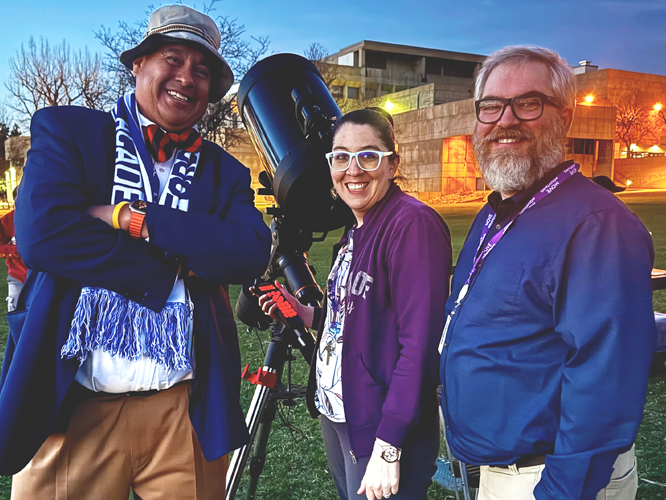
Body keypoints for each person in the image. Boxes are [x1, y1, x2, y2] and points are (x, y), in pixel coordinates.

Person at [0, 5, 271, 500]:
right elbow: (44, 234)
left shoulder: (224, 171)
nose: (186, 78)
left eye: (202, 70)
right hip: (75, 405)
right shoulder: (70, 131)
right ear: (138, 64)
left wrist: (133, 218)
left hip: (185, 411)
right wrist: (181, 259)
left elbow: (247, 254)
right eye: (172, 60)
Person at [439, 46, 657, 500]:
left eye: (528, 103)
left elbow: (605, 380)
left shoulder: (597, 224)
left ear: (565, 115)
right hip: (500, 473)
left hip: (549, 479)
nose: (505, 120)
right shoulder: (498, 211)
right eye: (491, 106)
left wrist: (561, 490)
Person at [258, 108, 452, 500]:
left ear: (393, 163)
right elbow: (349, 319)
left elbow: (420, 345)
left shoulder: (411, 225)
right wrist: (303, 313)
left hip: (381, 426)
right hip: (341, 415)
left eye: (369, 155)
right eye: (341, 156)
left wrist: (389, 444)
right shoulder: (355, 229)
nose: (353, 169)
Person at [0, 187, 28, 312]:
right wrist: (19, 250)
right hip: (17, 276)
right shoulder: (6, 220)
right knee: (16, 314)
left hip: (41, 276)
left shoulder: (43, 218)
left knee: (41, 317)